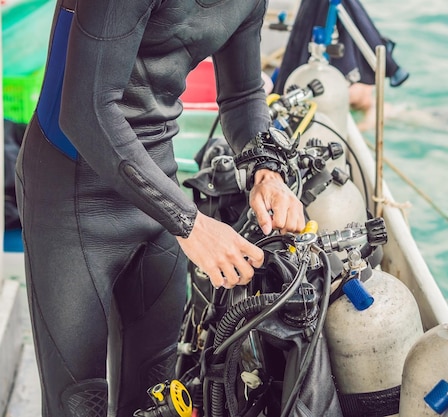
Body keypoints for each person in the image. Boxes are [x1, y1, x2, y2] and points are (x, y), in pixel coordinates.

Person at [15, 0, 305, 416]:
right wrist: (190, 224)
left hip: (155, 189)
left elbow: (242, 95)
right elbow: (85, 111)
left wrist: (267, 171)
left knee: (158, 392)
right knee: (78, 404)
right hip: (71, 195)